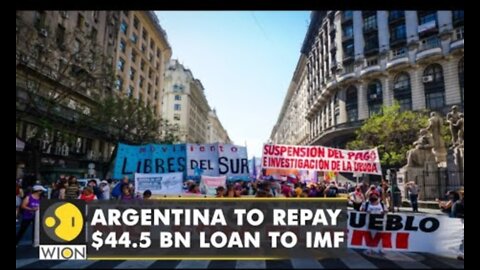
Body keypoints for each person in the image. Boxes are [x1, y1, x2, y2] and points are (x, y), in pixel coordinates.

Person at [361, 191, 388, 256]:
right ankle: (369, 249)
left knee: (379, 236)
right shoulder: (366, 203)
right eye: (372, 197)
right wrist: (365, 210)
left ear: (378, 197)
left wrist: (384, 211)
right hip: (369, 222)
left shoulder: (381, 204)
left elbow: (386, 211)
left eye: (375, 197)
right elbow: (361, 210)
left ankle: (381, 249)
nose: (373, 198)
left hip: (379, 222)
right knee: (370, 236)